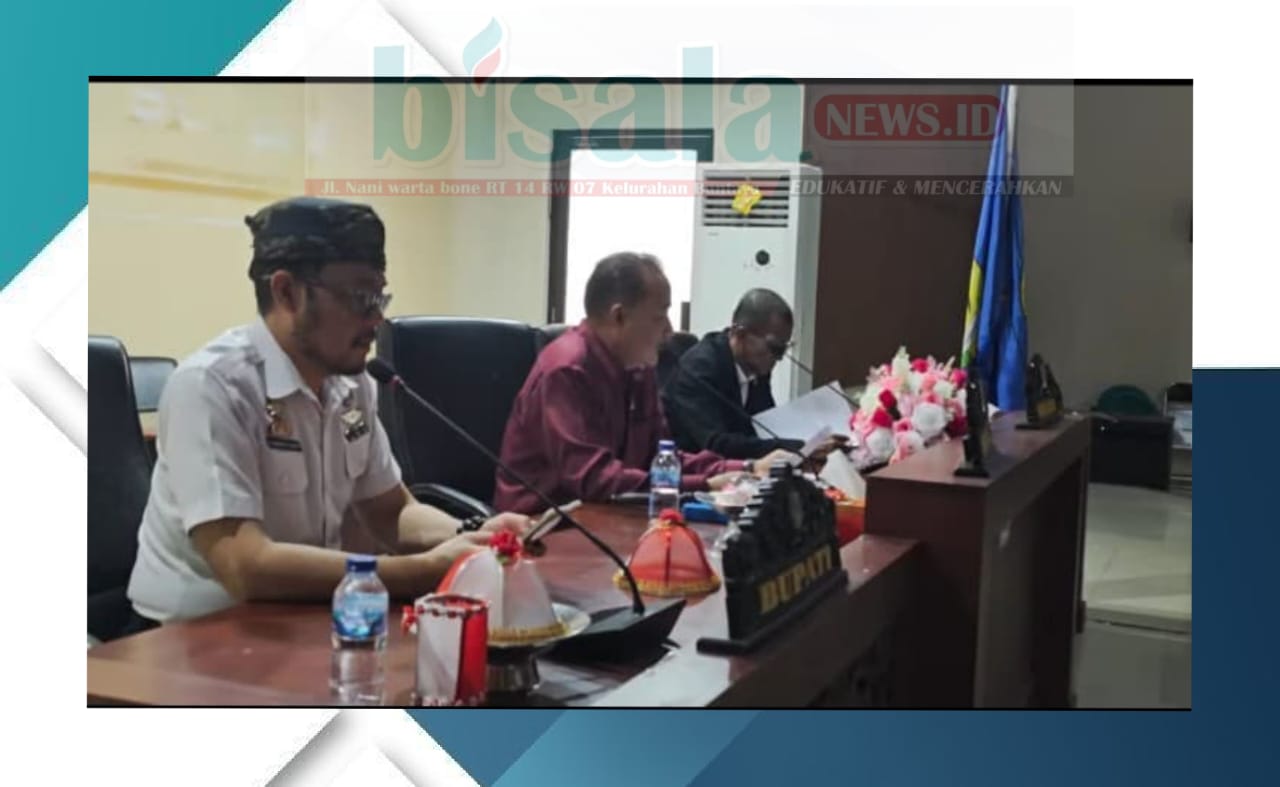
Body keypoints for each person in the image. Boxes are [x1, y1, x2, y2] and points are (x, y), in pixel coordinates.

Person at [126, 197, 530, 628]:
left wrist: (469, 536)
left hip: (305, 618)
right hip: (189, 636)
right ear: (286, 293)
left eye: (380, 298)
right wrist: (419, 572)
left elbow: (391, 510)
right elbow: (245, 566)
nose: (376, 319)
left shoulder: (351, 383)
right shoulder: (212, 386)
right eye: (360, 298)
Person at [493, 252, 791, 515]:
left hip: (613, 514)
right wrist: (706, 484)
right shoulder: (567, 370)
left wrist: (747, 468)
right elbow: (594, 479)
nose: (669, 330)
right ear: (619, 317)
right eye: (660, 316)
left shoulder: (638, 367)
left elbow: (663, 458)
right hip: (544, 527)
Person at [662, 288, 848, 461]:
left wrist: (812, 442)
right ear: (740, 334)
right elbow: (717, 444)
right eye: (774, 348)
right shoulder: (699, 369)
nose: (779, 358)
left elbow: (764, 428)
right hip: (693, 473)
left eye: (784, 349)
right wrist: (801, 446)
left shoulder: (756, 366)